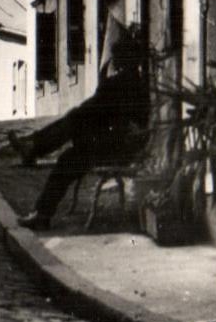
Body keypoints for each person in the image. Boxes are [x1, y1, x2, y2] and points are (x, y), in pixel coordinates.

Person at [12, 24, 147, 230]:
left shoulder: (116, 85)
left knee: (72, 138)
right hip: (124, 146)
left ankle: (35, 152)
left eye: (117, 56)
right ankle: (35, 149)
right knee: (74, 130)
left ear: (122, 60)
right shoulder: (138, 84)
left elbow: (91, 111)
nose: (114, 60)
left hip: (113, 149)